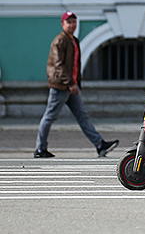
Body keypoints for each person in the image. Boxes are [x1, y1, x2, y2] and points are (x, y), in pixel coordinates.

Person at [34, 12, 119, 158]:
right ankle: (40, 149)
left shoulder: (73, 40)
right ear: (63, 25)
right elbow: (58, 65)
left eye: (74, 22)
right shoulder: (59, 41)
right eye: (68, 22)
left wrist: (75, 84)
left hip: (72, 87)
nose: (72, 25)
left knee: (82, 116)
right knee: (49, 117)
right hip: (61, 86)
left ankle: (99, 145)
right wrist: (70, 83)